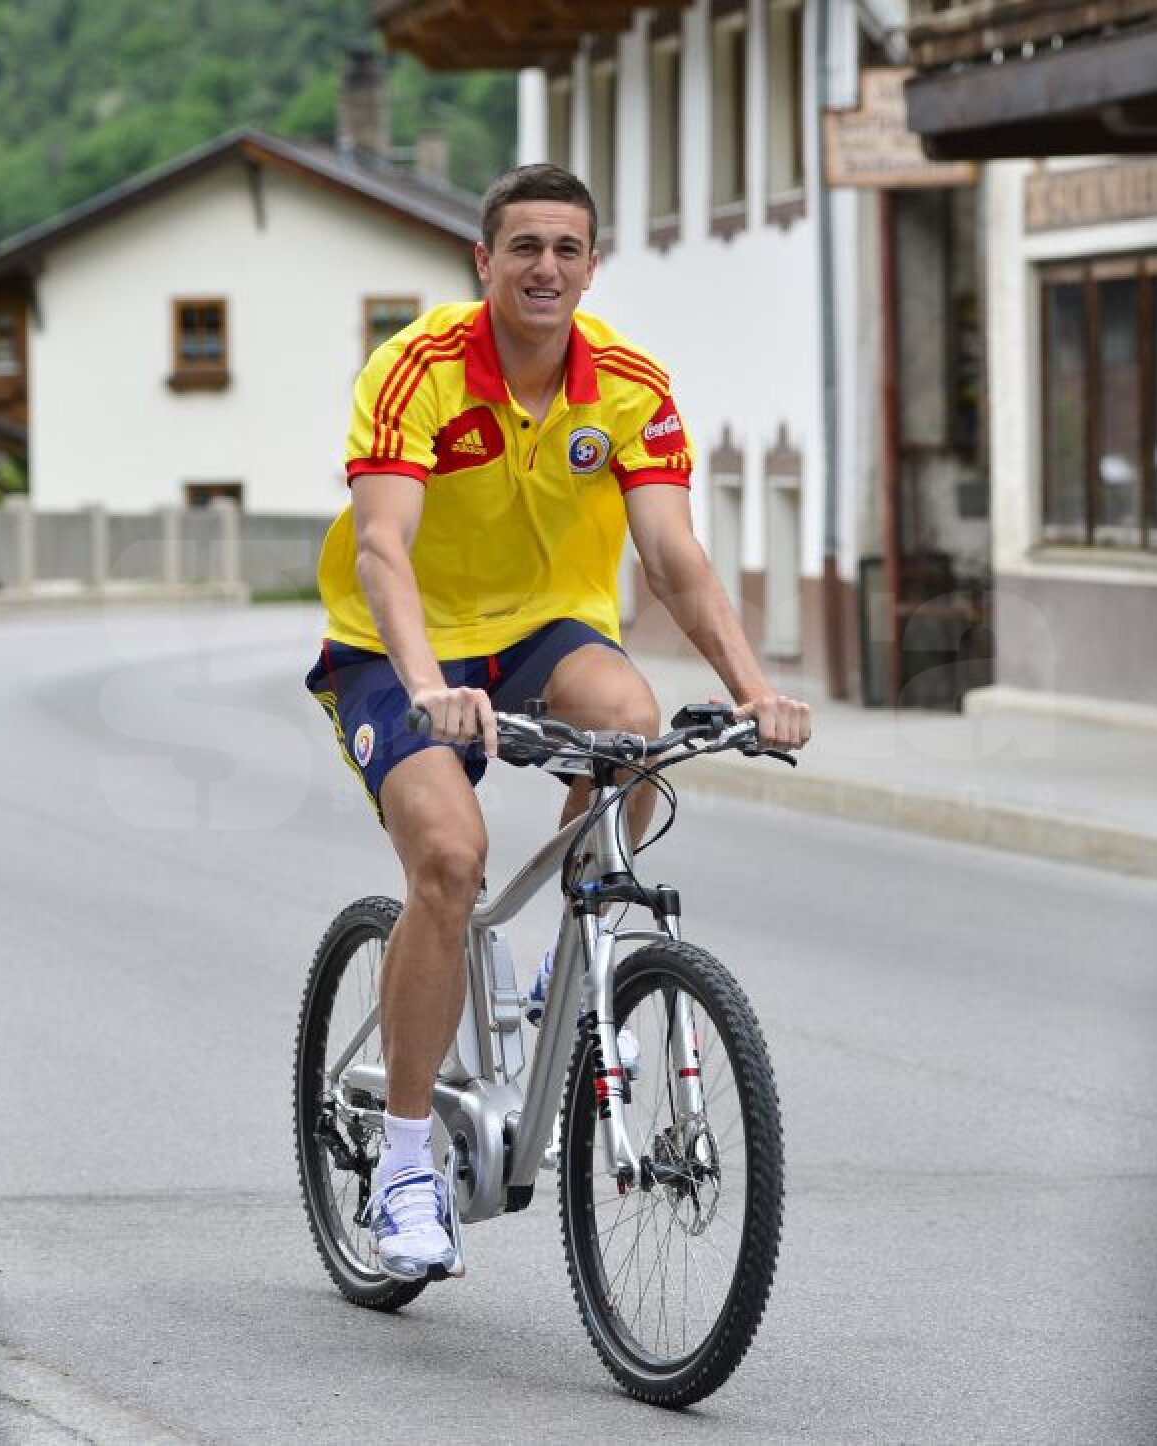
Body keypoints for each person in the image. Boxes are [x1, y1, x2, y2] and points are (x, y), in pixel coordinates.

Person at [306, 163, 811, 1280]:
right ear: (482, 261)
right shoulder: (417, 369)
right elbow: (385, 542)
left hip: (543, 629)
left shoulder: (628, 382)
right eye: (522, 247)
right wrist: (430, 680)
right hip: (398, 646)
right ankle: (399, 1170)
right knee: (448, 862)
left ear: (591, 263)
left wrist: (750, 688)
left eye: (566, 249)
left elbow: (674, 557)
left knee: (634, 729)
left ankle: (560, 972)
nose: (545, 267)